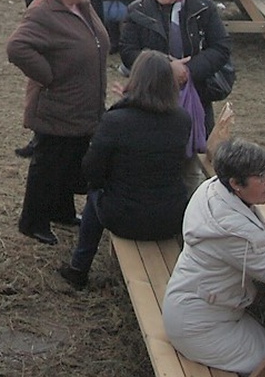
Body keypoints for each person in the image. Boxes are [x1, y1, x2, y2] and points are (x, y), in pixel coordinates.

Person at [160, 139, 265, 373]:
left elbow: (249, 246)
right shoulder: (232, 229)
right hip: (198, 326)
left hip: (200, 306)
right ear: (235, 183)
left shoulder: (213, 188)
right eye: (261, 176)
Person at [58, 50, 193, 289]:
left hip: (124, 217)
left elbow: (92, 170)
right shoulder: (182, 119)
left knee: (95, 195)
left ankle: (79, 268)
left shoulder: (116, 121)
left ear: (136, 80)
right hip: (171, 216)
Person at [8, 0, 109, 245]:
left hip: (81, 103)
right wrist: (48, 75)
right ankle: (33, 220)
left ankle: (61, 211)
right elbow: (17, 47)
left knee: (70, 159)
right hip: (57, 105)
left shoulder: (79, 5)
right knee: (49, 164)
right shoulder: (43, 13)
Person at [118, 0, 232, 133]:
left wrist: (188, 70)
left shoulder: (204, 8)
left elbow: (220, 47)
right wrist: (167, 68)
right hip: (151, 94)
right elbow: (128, 51)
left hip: (196, 91)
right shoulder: (136, 11)